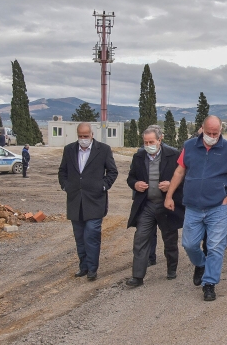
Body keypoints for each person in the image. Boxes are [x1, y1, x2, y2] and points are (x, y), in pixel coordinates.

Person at [165, 116, 227, 301]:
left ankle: (209, 284)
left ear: (221, 130)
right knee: (189, 244)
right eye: (209, 133)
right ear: (202, 129)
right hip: (193, 207)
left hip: (217, 208)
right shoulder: (189, 146)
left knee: (215, 247)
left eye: (216, 133)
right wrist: (169, 195)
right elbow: (180, 171)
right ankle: (200, 264)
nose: (212, 136)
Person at [125, 125, 185, 287]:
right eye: (145, 142)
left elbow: (185, 178)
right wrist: (135, 184)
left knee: (170, 239)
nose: (148, 145)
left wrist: (172, 184)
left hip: (167, 205)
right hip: (146, 206)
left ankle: (171, 268)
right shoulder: (138, 157)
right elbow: (130, 178)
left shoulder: (173, 155)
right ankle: (137, 276)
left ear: (160, 140)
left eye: (151, 141)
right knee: (140, 239)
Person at [57, 122, 118, 281]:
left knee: (91, 235)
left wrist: (103, 186)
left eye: (86, 136)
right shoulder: (69, 149)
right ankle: (83, 266)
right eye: (80, 136)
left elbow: (112, 171)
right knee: (79, 237)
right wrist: (66, 186)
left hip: (95, 201)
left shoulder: (103, 150)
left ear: (92, 134)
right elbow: (62, 171)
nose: (83, 139)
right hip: (75, 201)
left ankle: (92, 269)